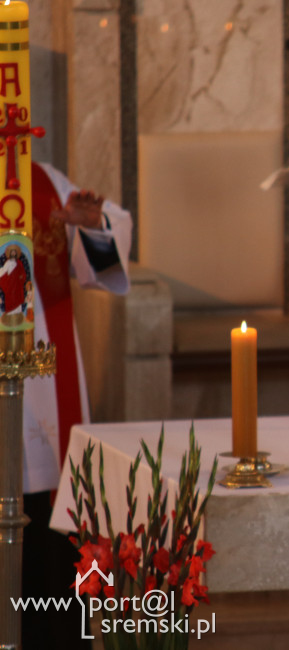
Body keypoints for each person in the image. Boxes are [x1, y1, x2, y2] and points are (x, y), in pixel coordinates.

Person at [21, 162, 132, 649]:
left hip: (45, 393)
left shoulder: (44, 182)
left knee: (52, 566)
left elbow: (103, 275)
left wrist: (91, 228)